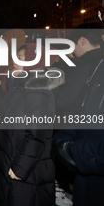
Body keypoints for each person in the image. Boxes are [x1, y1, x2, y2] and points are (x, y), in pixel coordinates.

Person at [0, 43, 63, 206]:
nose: (15, 61)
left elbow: (37, 134)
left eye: (20, 58)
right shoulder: (19, 86)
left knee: (22, 197)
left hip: (25, 163)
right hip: (12, 153)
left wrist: (21, 166)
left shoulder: (39, 92)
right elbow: (7, 113)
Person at [53, 23, 104, 206]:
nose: (72, 51)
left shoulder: (86, 64)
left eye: (72, 45)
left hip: (86, 150)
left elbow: (67, 101)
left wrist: (58, 87)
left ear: (82, 41)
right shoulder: (97, 62)